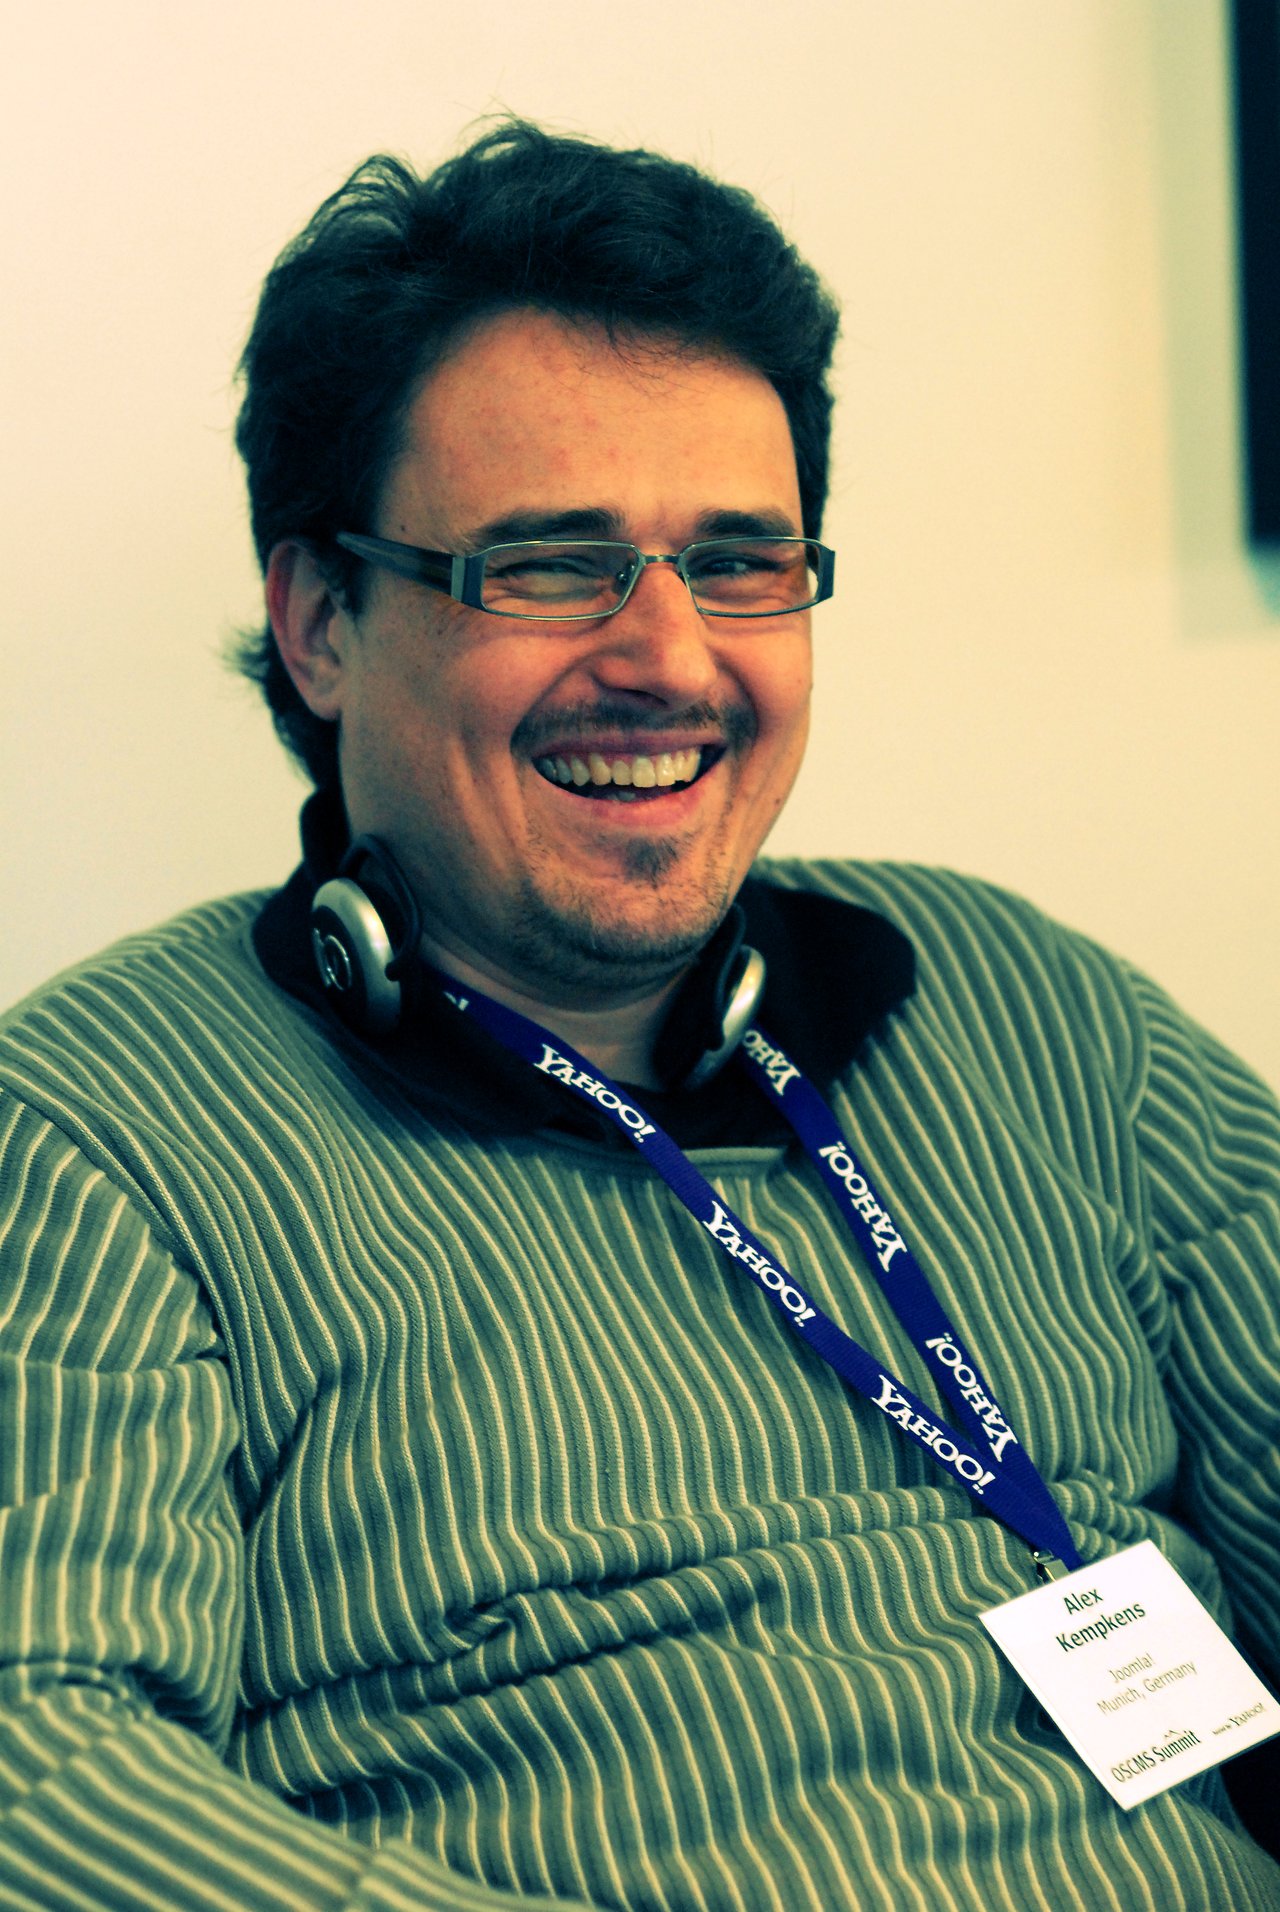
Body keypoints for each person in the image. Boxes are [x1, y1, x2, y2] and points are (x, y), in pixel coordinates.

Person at [0, 120, 1277, 1912]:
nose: (673, 659)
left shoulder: (1043, 1018)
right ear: (321, 625)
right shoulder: (91, 1135)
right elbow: (36, 1772)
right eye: (547, 564)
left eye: (742, 561)